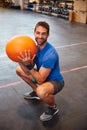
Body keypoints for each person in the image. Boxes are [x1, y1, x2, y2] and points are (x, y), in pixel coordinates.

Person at [16, 21, 64, 121]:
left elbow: (41, 80)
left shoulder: (50, 54)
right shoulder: (35, 48)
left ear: (48, 35)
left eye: (43, 33)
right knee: (19, 70)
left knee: (41, 91)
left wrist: (29, 66)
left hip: (55, 81)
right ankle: (35, 92)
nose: (40, 36)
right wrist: (20, 60)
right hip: (41, 76)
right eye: (38, 33)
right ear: (34, 33)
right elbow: (26, 70)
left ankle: (53, 107)